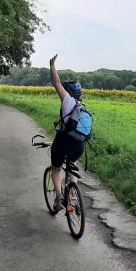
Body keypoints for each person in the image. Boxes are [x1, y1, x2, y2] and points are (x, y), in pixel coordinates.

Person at [49, 54, 85, 212]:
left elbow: (56, 83)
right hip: (79, 145)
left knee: (56, 169)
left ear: (69, 92)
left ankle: (59, 197)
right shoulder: (82, 106)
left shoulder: (67, 101)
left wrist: (52, 66)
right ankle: (74, 193)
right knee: (72, 164)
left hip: (62, 142)